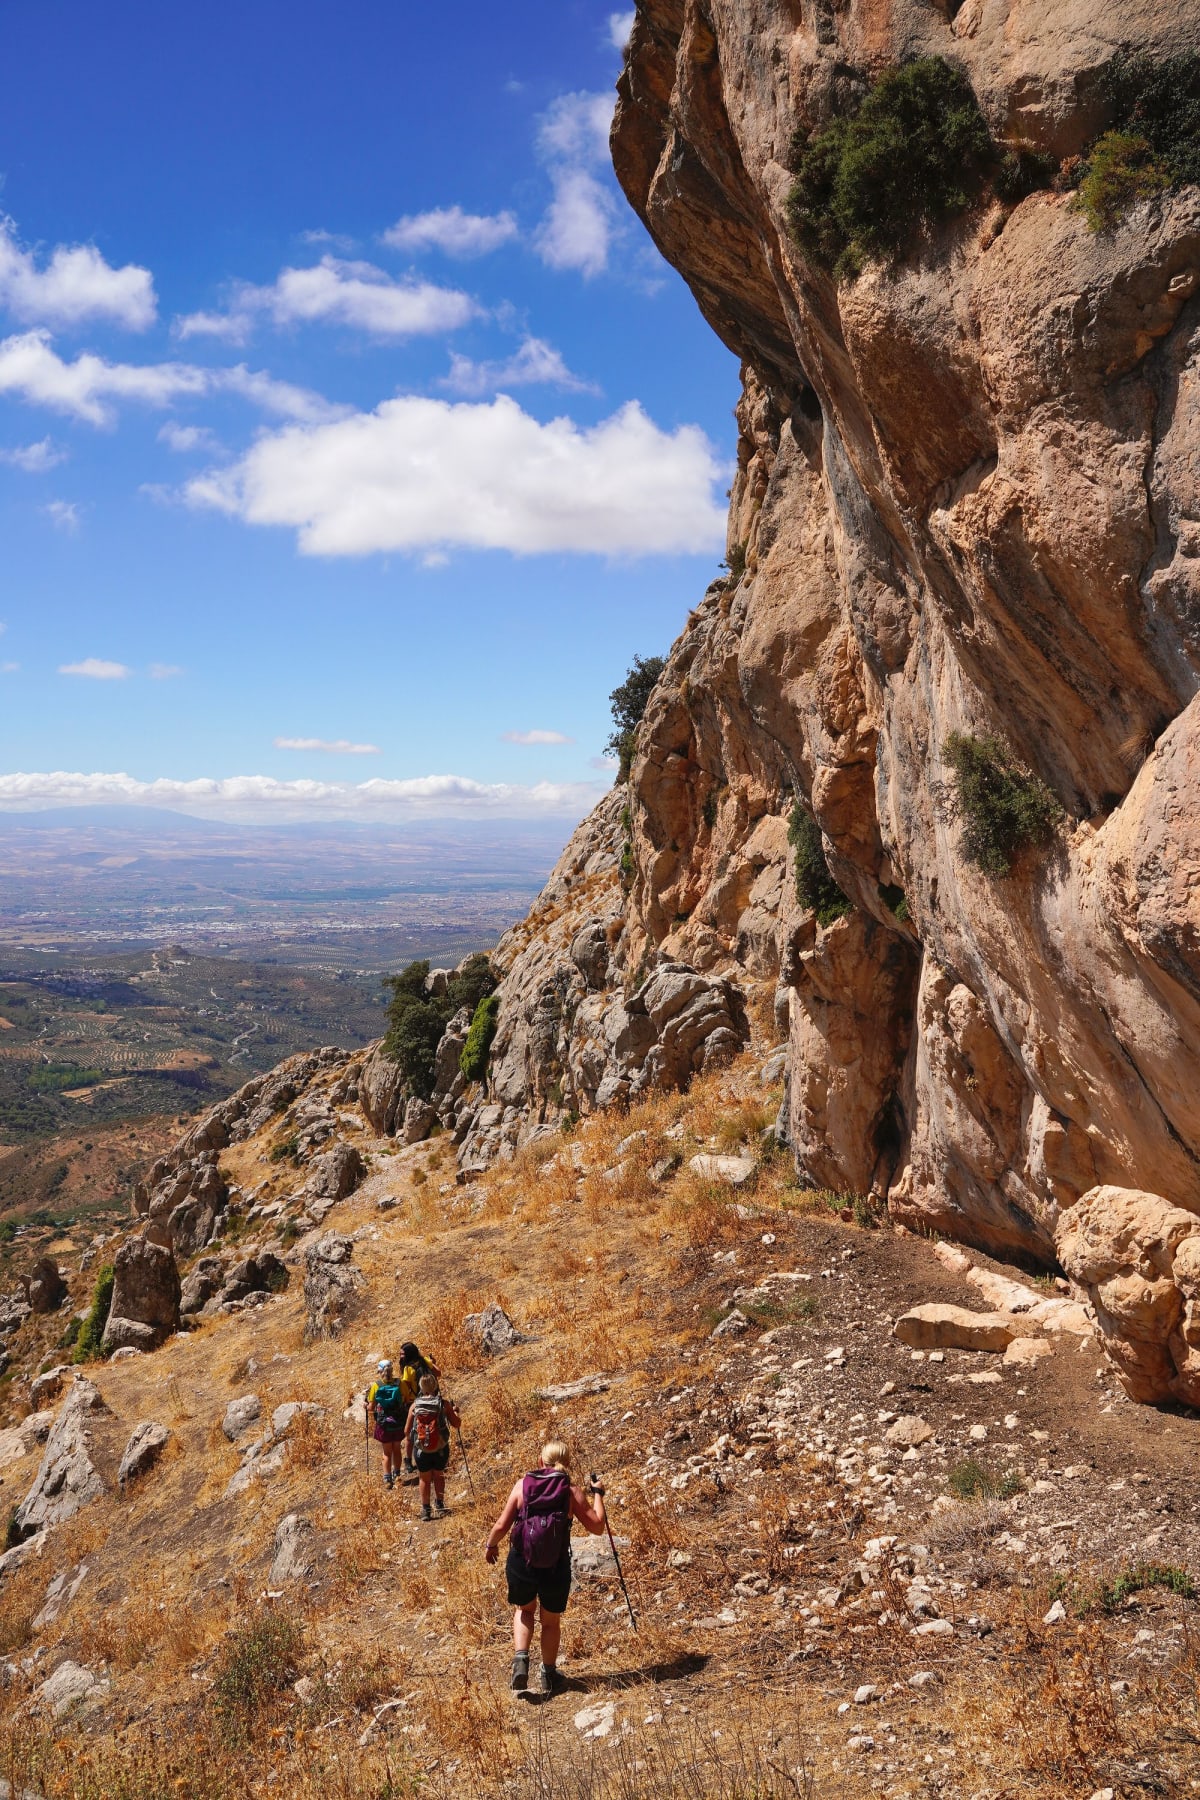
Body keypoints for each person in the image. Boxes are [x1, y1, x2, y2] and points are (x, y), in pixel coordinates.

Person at [484, 1441, 607, 1695]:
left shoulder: (523, 1485)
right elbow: (597, 1526)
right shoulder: (571, 1492)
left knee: (524, 1610)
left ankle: (520, 1660)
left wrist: (491, 1546)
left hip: (522, 1561)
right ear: (567, 1463)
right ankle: (549, 1675)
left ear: (541, 1462)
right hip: (555, 1565)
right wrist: (598, 1494)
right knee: (550, 1622)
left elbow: (500, 1525)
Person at [406, 1372, 460, 1520]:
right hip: (440, 1447)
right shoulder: (444, 1404)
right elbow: (457, 1424)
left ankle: (425, 1510)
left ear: (421, 1388)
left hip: (421, 1448)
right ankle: (440, 1506)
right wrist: (454, 1412)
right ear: (435, 1386)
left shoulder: (415, 1406)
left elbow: (406, 1431)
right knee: (438, 1475)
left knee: (424, 1478)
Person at [398, 1341, 438, 1478]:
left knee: (410, 1432)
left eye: (402, 1353)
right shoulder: (425, 1360)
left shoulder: (408, 1369)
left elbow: (406, 1387)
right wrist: (433, 1363)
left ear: (408, 1354)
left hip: (414, 1402)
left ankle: (408, 1460)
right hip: (432, 1399)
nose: (400, 1355)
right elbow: (439, 1373)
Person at [366, 1359, 406, 1489]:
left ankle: (388, 1478)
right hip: (398, 1421)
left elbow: (371, 1407)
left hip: (384, 1424)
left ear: (379, 1371)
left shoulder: (376, 1385)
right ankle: (398, 1474)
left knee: (387, 1452)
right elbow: (406, 1398)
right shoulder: (400, 1383)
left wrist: (365, 1405)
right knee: (397, 1449)